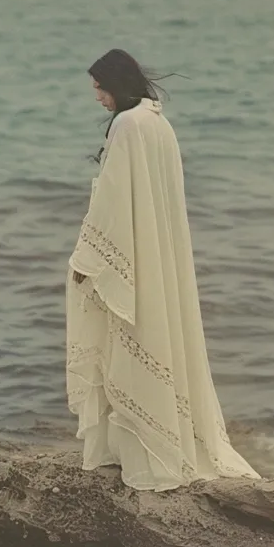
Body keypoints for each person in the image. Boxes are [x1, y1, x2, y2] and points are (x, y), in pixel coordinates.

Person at [66, 48, 261, 491]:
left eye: (98, 88)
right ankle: (159, 440)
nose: (96, 97)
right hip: (153, 254)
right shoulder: (158, 122)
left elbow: (114, 200)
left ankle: (148, 453)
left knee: (130, 341)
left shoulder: (128, 125)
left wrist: (88, 260)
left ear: (113, 84)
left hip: (132, 254)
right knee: (154, 338)